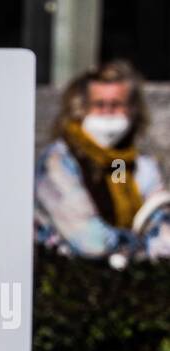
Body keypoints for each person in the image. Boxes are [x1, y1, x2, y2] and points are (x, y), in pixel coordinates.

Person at [35, 59, 170, 262]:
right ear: (81, 108)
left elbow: (162, 230)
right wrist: (139, 246)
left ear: (132, 110)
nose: (107, 113)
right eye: (99, 105)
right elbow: (91, 242)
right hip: (64, 279)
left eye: (116, 105)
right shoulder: (57, 162)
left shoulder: (130, 164)